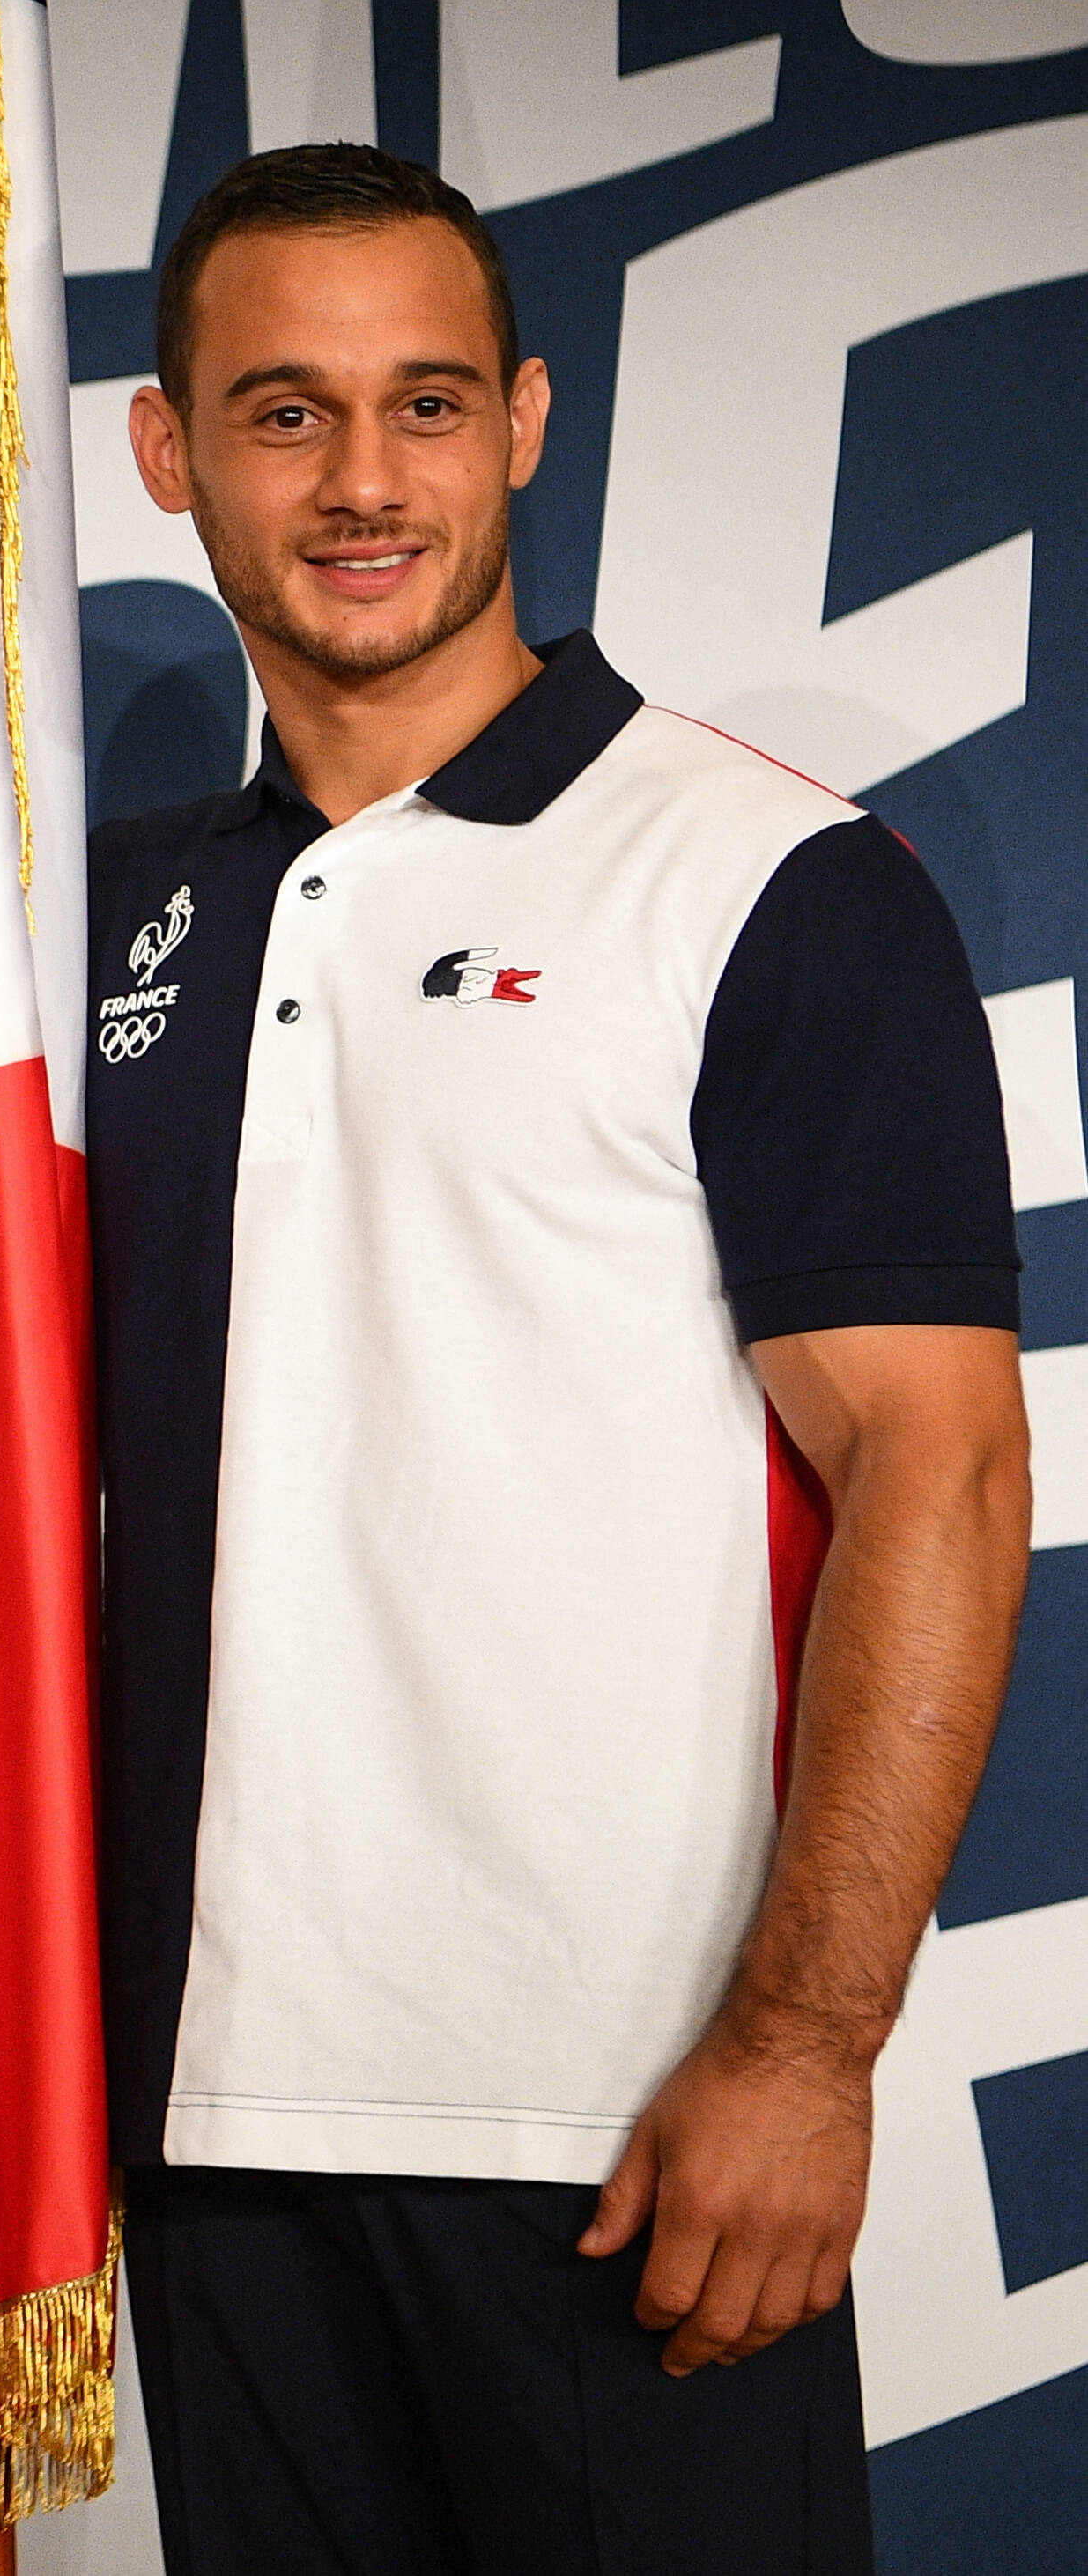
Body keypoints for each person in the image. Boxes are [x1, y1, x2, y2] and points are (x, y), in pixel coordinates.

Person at [85, 143, 1031, 2576]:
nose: (366, 479)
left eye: (423, 403)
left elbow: (941, 1473)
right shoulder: (100, 931)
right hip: (207, 2120)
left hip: (614, 2135)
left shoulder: (762, 882)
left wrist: (807, 2051)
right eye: (284, 414)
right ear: (166, 450)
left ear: (522, 420)